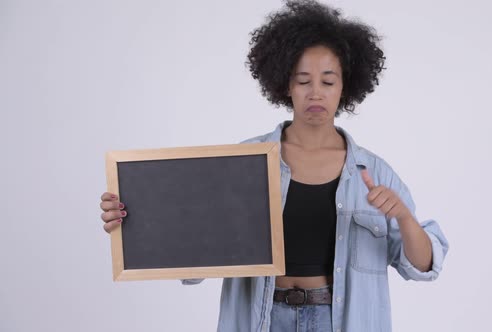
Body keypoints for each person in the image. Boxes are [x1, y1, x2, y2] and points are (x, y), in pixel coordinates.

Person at [99, 1, 449, 331]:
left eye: (328, 81)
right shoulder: (244, 163)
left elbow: (422, 266)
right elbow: (194, 256)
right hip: (261, 321)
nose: (316, 93)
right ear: (285, 84)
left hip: (340, 321)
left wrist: (404, 217)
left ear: (345, 86)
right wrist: (135, 219)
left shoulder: (373, 172)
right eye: (303, 80)